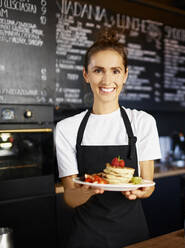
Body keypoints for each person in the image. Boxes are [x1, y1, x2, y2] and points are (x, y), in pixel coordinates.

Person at [54, 27, 161, 248]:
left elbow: (148, 185)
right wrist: (89, 190)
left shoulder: (143, 122)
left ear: (125, 75)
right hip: (86, 237)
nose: (107, 80)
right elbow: (69, 198)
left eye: (115, 71)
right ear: (86, 74)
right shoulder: (67, 128)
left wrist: (140, 191)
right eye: (98, 70)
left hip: (134, 235)